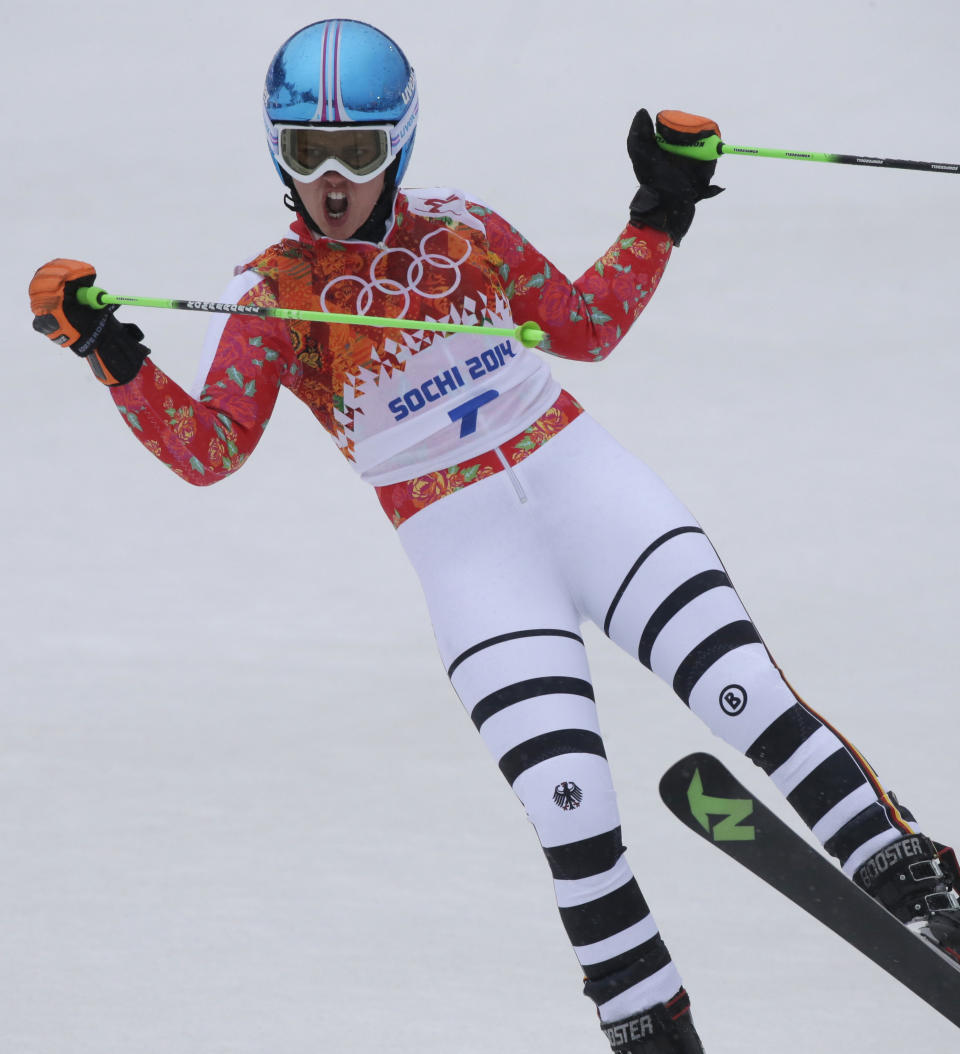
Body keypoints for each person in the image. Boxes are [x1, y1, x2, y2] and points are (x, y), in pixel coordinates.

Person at [28, 19, 960, 1053]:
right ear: (275, 151)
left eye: (361, 152)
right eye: (306, 153)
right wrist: (110, 351)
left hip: (589, 492)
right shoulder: (269, 301)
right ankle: (647, 1023)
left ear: (404, 144)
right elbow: (208, 449)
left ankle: (918, 884)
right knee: (569, 804)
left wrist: (663, 207)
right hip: (466, 554)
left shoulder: (464, 230)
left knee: (744, 694)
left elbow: (586, 326)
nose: (333, 181)